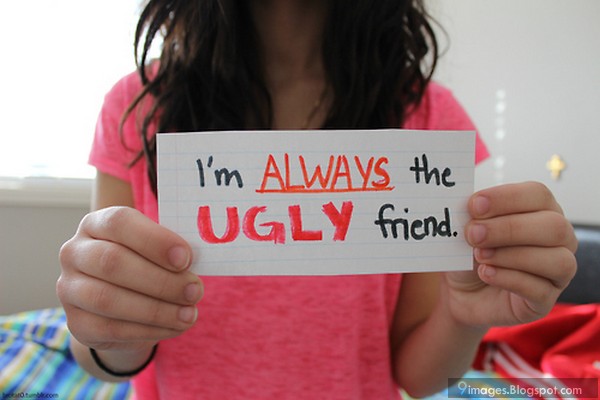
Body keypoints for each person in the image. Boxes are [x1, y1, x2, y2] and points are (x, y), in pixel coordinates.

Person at [57, 0, 578, 399]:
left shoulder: (426, 117)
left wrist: (465, 316)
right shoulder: (136, 107)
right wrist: (107, 322)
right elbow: (106, 350)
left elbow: (419, 378)